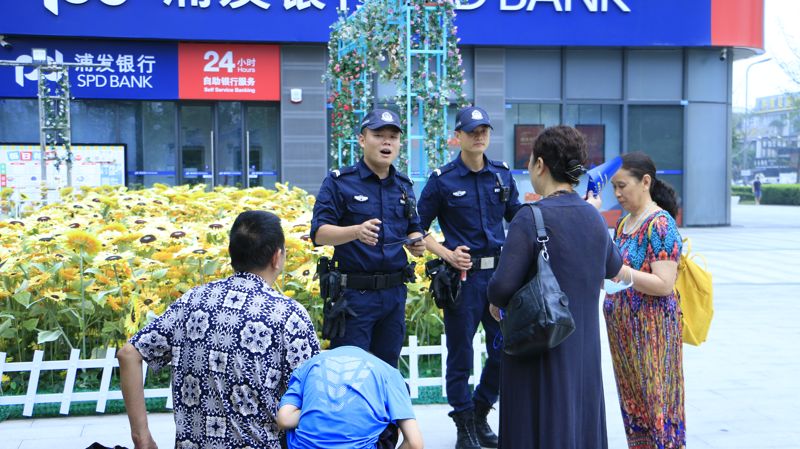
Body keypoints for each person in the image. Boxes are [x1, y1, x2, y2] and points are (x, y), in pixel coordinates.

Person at [118, 210, 320, 449]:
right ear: (277, 257)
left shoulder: (192, 301)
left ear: (232, 254)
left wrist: (142, 438)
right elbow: (315, 395)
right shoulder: (288, 315)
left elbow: (128, 354)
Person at [486, 126, 624, 449]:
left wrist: (496, 301)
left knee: (537, 429)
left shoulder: (529, 218)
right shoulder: (594, 217)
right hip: (583, 354)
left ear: (540, 165)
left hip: (537, 349)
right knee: (579, 427)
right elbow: (614, 268)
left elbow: (500, 289)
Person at [417, 106, 521, 449]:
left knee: (505, 349)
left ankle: (479, 411)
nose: (479, 136)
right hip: (463, 280)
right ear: (457, 136)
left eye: (484, 130)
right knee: (460, 354)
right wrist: (446, 253)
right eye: (472, 131)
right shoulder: (442, 180)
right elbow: (416, 229)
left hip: (499, 278)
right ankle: (464, 425)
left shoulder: (501, 176)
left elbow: (518, 218)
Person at [310, 108, 426, 368]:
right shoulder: (340, 182)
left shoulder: (404, 186)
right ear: (362, 140)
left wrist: (417, 242)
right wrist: (355, 231)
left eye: (393, 137)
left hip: (394, 295)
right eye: (379, 135)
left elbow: (414, 227)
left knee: (387, 370)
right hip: (354, 296)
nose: (387, 142)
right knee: (350, 372)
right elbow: (318, 233)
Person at [604, 152, 686, 449]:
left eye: (622, 185)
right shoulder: (623, 223)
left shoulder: (660, 224)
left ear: (645, 182)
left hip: (653, 334)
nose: (617, 193)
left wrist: (623, 272)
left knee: (657, 408)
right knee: (633, 408)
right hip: (624, 334)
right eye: (614, 187)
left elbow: (664, 284)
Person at [276, 345, 424, 449]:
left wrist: (320, 410)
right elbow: (414, 443)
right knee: (394, 410)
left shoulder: (307, 366)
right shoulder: (388, 372)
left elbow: (284, 419)